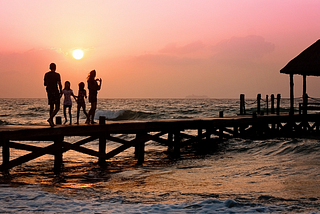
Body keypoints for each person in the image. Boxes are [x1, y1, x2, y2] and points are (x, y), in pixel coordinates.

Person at [44, 63, 62, 127]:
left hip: (49, 91)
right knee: (57, 107)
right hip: (55, 90)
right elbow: (59, 84)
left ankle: (51, 121)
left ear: (49, 67)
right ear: (55, 67)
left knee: (51, 107)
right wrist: (61, 91)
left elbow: (45, 84)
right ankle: (50, 119)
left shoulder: (46, 74)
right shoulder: (57, 75)